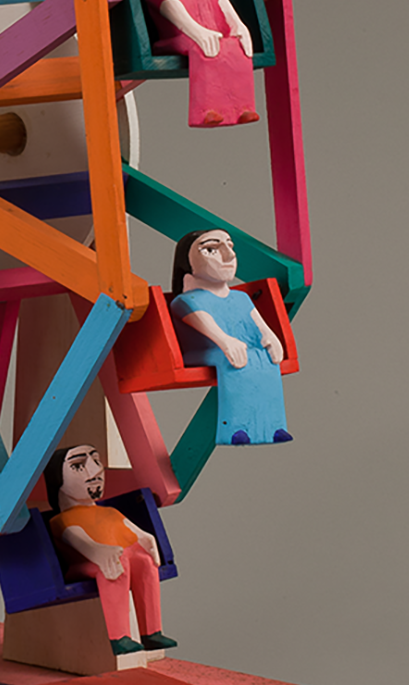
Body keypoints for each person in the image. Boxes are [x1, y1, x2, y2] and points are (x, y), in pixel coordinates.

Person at [44, 443, 175, 656]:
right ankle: (119, 636)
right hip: (83, 565)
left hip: (114, 559)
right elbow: (80, 542)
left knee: (143, 560)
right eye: (78, 466)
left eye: (96, 461)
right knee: (117, 562)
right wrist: (100, 552)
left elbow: (136, 533)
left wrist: (147, 540)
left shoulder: (111, 513)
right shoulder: (62, 519)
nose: (95, 471)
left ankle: (151, 632)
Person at [169, 228, 292, 445]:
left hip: (239, 348)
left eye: (230, 246)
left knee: (266, 358)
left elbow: (260, 325)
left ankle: (274, 425)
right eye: (211, 249)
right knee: (229, 360)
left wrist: (271, 338)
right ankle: (236, 428)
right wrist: (225, 342)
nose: (229, 255)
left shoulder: (241, 298)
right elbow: (208, 326)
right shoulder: (187, 301)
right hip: (205, 352)